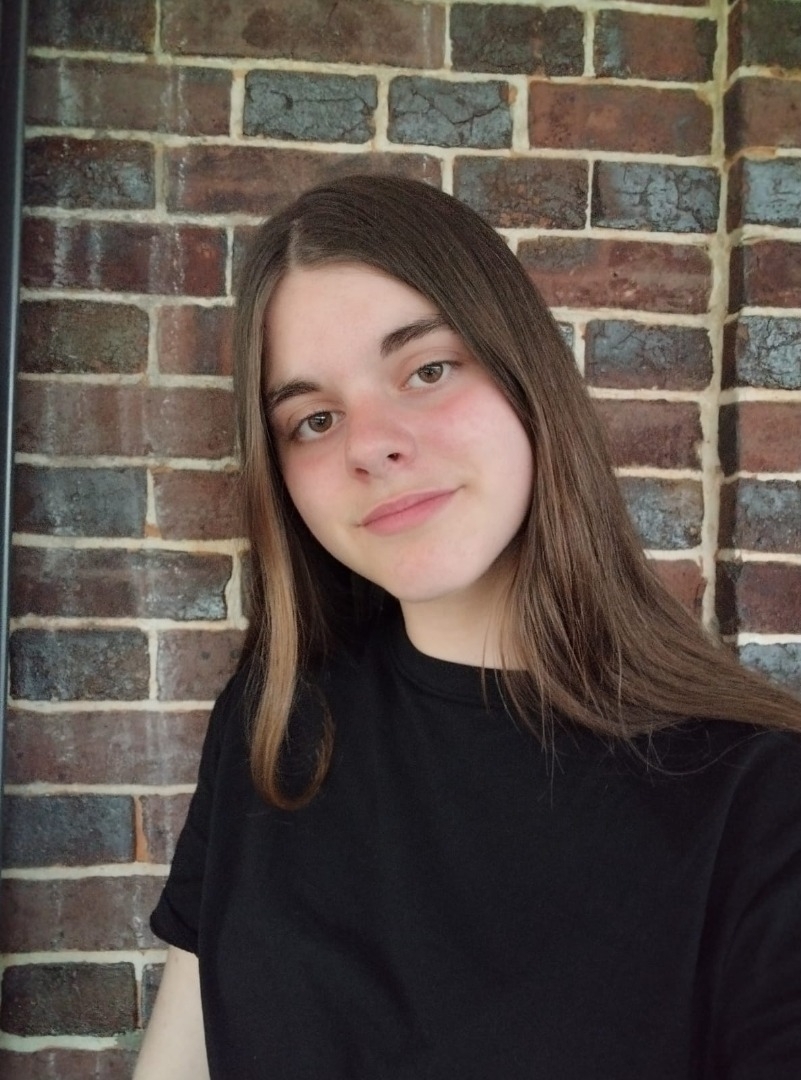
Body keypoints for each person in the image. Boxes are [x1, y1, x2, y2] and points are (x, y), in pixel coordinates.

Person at [134, 175, 801, 1079]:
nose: (368, 444)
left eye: (427, 370)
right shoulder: (273, 721)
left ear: (525, 376)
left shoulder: (759, 801)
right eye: (314, 418)